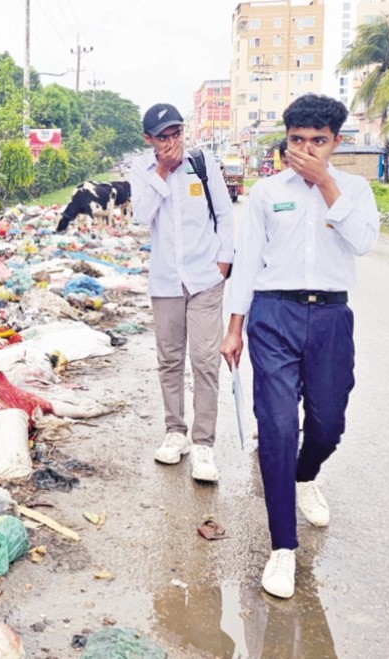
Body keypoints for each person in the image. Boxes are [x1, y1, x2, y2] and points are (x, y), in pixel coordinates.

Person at [220, 94, 379, 599]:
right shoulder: (268, 193)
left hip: (331, 316)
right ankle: (282, 548)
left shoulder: (353, 189)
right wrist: (234, 327)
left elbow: (364, 241)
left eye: (318, 141)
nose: (306, 150)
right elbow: (247, 264)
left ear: (335, 142)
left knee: (329, 424)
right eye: (296, 141)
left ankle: (306, 475)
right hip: (274, 315)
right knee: (279, 424)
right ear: (285, 141)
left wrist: (328, 185)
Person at [129, 103, 235, 482]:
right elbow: (140, 217)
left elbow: (224, 214)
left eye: (176, 134)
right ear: (149, 140)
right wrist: (161, 171)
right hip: (166, 282)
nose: (172, 142)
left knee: (205, 360)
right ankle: (176, 432)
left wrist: (224, 259)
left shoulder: (202, 163)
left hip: (205, 279)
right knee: (170, 360)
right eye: (163, 137)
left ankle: (204, 444)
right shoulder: (141, 170)